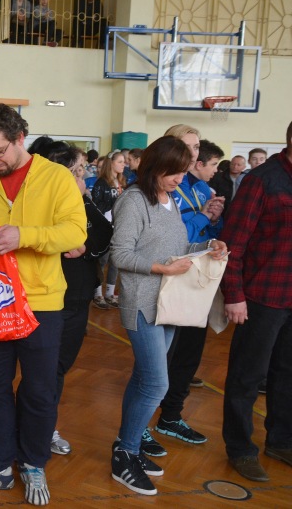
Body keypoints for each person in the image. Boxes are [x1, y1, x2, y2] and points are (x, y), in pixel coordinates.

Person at [0, 104, 86, 506]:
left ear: (20, 138)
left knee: (40, 390)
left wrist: (23, 236)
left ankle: (32, 462)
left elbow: (75, 232)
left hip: (42, 301)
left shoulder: (56, 177)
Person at [109, 136, 227, 496]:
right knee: (156, 384)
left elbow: (177, 249)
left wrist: (206, 247)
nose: (179, 179)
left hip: (168, 303)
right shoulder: (134, 200)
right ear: (154, 168)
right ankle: (126, 453)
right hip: (143, 302)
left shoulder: (169, 199)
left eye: (182, 172)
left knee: (143, 378)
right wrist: (163, 268)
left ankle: (127, 446)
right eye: (173, 173)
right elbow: (120, 254)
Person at [220, 121, 292, 483]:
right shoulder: (262, 181)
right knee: (247, 376)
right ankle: (240, 448)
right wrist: (234, 296)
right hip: (262, 296)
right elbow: (233, 244)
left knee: (288, 375)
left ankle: (281, 441)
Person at [146, 139, 224, 454]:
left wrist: (214, 226)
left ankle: (171, 416)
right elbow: (174, 239)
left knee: (189, 354)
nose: (194, 151)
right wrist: (203, 218)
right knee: (157, 363)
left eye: (196, 145)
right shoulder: (159, 192)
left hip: (196, 279)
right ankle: (140, 428)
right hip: (166, 281)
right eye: (190, 145)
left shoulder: (202, 189)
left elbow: (202, 235)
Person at [45, 142, 112, 457]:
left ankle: (44, 426)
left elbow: (104, 233)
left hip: (78, 297)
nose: (83, 180)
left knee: (58, 367)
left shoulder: (84, 203)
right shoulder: (43, 205)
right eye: (78, 172)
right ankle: (38, 428)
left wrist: (85, 247)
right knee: (44, 369)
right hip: (50, 298)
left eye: (83, 172)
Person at [91, 151, 126, 308]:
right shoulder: (101, 183)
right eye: (120, 162)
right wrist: (115, 204)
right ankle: (97, 294)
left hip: (118, 227)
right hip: (105, 227)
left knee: (115, 260)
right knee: (102, 260)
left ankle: (110, 293)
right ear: (111, 163)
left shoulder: (121, 182)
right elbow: (96, 206)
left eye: (124, 162)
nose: (123, 165)